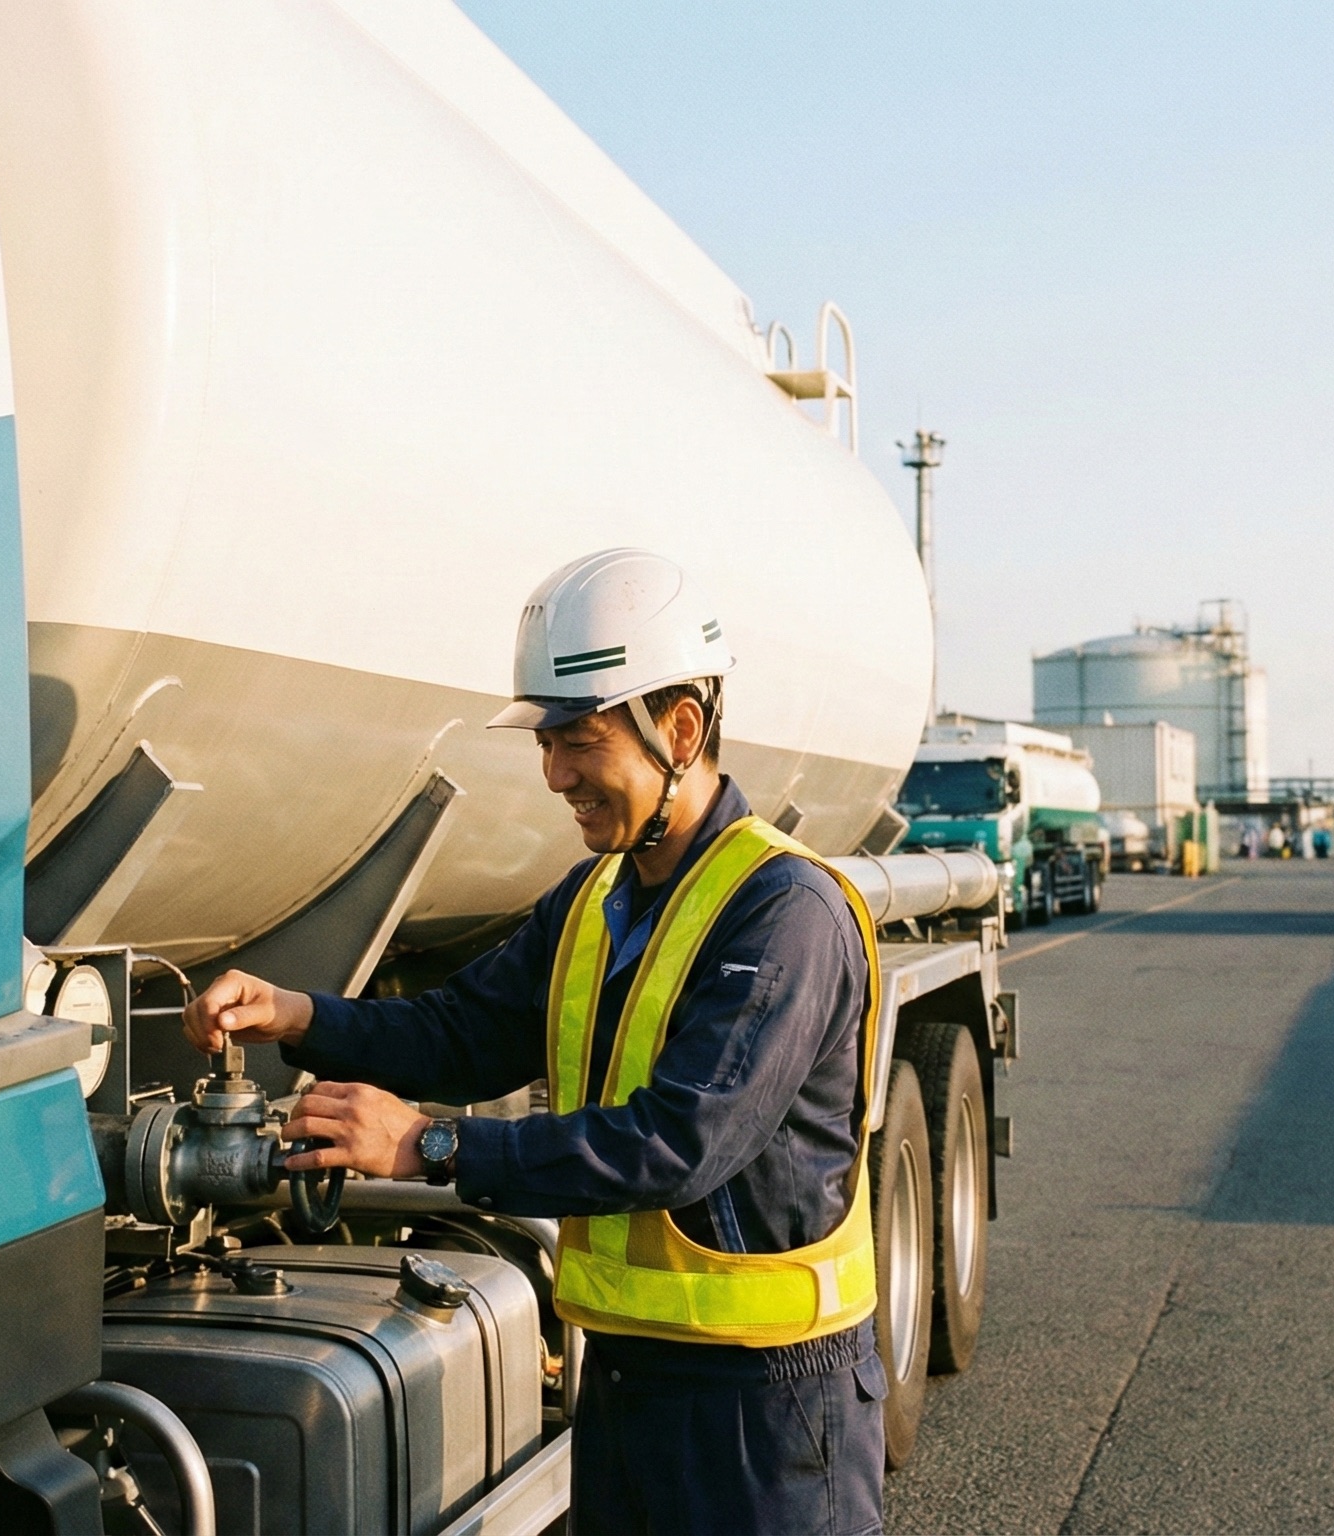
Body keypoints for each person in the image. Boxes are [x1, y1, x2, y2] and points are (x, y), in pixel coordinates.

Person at [181, 548, 887, 1535]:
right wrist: (302, 1015)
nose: (556, 775)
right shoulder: (597, 900)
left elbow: (677, 1141)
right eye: (547, 742)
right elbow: (461, 1032)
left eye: (580, 741)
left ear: (680, 729)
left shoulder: (785, 914)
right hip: (629, 1376)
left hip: (762, 1406)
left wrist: (429, 1147)